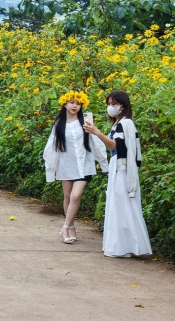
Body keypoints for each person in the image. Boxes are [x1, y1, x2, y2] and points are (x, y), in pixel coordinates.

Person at [83, 90, 152, 257]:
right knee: (121, 203)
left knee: (121, 202)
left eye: (113, 104)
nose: (110, 107)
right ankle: (126, 246)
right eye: (109, 104)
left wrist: (96, 132)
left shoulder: (124, 124)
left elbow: (116, 146)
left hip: (122, 168)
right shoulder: (119, 123)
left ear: (123, 106)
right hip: (119, 166)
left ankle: (125, 246)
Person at [44, 90, 108, 243]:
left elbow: (95, 143)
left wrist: (103, 163)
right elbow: (52, 147)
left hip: (84, 165)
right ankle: (71, 227)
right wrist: (51, 169)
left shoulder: (86, 121)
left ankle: (64, 227)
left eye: (78, 103)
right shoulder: (58, 125)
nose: (75, 106)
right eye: (72, 102)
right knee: (67, 197)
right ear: (65, 104)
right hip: (66, 165)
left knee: (75, 196)